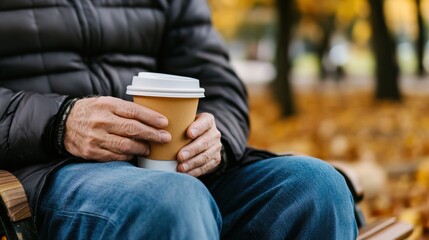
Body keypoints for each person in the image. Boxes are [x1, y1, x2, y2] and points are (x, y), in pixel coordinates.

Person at [0, 0, 357, 239]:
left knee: (316, 187)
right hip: (45, 171)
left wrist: (218, 137)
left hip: (172, 166)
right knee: (172, 201)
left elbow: (216, 79)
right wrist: (59, 122)